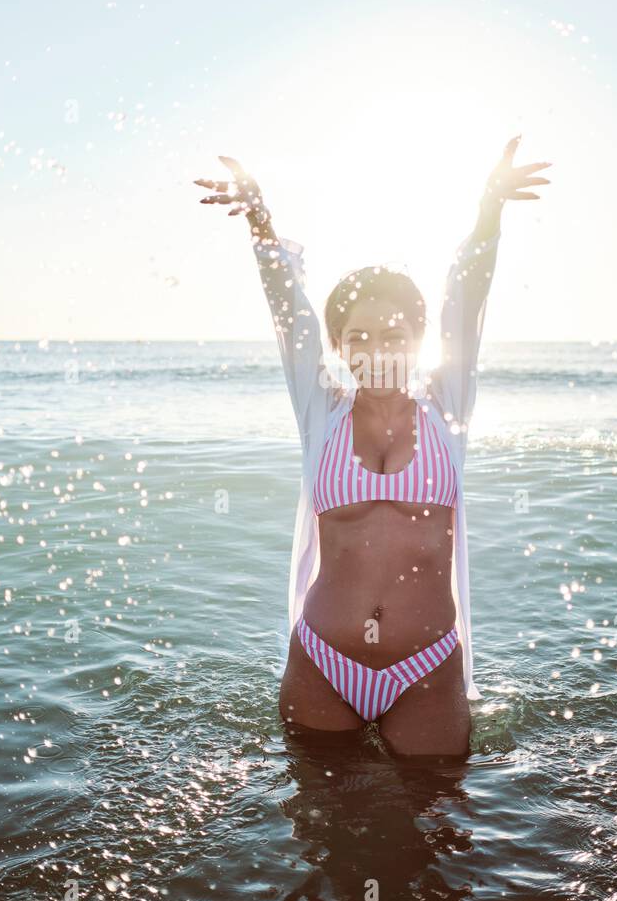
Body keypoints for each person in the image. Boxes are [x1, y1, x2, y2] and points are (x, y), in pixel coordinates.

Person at [194, 137, 551, 756]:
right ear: (339, 345)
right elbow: (288, 310)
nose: (376, 347)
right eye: (357, 336)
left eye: (394, 333)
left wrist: (489, 211)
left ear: (419, 339)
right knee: (320, 833)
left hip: (427, 668)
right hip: (321, 664)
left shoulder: (446, 409)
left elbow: (467, 301)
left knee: (435, 831)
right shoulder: (322, 412)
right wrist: (260, 219)